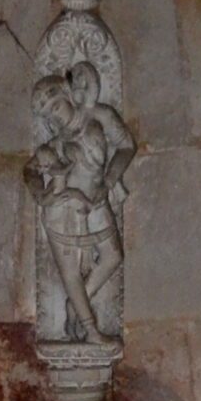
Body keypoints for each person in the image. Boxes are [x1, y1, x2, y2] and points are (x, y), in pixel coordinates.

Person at [30, 58, 133, 347]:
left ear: (69, 95)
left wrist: (110, 181)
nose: (55, 118)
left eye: (56, 106)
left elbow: (126, 147)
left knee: (113, 256)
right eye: (49, 115)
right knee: (70, 272)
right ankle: (90, 330)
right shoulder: (54, 144)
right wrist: (41, 193)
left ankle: (77, 306)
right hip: (66, 208)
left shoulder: (99, 115)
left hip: (97, 199)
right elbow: (29, 170)